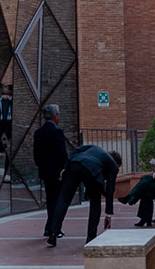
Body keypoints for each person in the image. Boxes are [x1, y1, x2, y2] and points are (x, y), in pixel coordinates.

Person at [47, 142, 121, 245]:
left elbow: (76, 150)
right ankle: (90, 238)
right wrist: (108, 213)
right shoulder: (113, 166)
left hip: (75, 164)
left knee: (63, 200)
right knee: (95, 203)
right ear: (117, 163)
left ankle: (53, 233)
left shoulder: (94, 148)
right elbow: (110, 189)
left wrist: (65, 167)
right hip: (91, 170)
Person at [32, 103, 68, 241]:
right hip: (57, 173)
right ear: (55, 116)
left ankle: (49, 227)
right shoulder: (57, 132)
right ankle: (54, 228)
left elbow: (36, 155)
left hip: (45, 172)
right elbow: (62, 154)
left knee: (50, 199)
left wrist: (42, 166)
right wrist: (64, 169)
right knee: (58, 201)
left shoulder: (38, 133)